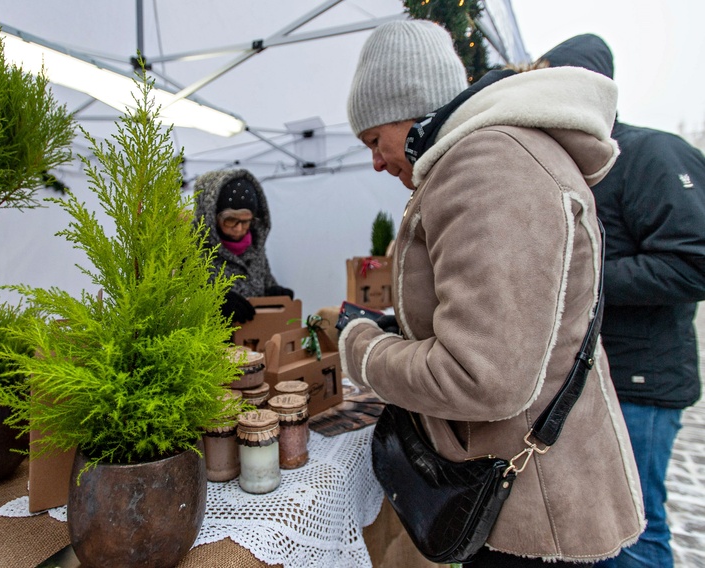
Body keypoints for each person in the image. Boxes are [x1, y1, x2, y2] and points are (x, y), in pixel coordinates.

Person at [340, 19, 645, 566]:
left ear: (404, 110)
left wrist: (361, 348)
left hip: (532, 509)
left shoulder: (486, 165)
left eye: (374, 140)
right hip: (538, 487)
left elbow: (480, 377)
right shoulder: (499, 154)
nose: (376, 161)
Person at [541, 34, 705, 568]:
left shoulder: (652, 153)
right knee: (598, 524)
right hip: (592, 383)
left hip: (641, 384)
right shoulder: (572, 167)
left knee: (634, 529)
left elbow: (692, 262)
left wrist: (578, 279)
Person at [193, 168, 293, 323]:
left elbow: (266, 283)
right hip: (212, 344)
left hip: (254, 341)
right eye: (230, 220)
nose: (239, 229)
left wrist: (274, 292)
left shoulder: (254, 249)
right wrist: (214, 302)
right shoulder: (191, 249)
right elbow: (175, 301)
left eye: (246, 221)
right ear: (211, 216)